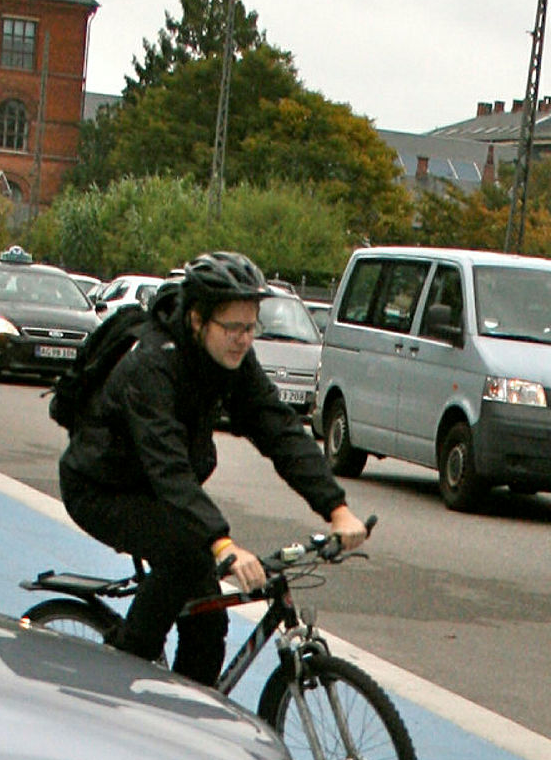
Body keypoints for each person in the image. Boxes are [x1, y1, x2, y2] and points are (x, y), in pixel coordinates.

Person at [58, 250, 367, 684]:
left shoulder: (230, 362)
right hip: (102, 488)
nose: (243, 339)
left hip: (161, 493)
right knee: (186, 555)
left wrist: (336, 508)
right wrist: (222, 543)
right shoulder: (151, 364)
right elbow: (167, 467)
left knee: (209, 618)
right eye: (232, 328)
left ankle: (185, 726)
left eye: (250, 327)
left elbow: (278, 428)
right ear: (198, 320)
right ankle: (119, 680)